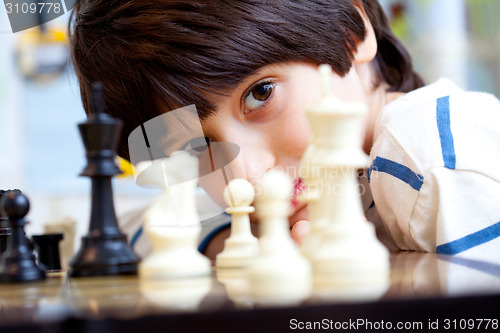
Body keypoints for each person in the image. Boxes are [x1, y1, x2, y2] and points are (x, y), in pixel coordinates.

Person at [70, 0, 500, 261]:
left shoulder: (429, 157)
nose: (247, 176)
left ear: (351, 32)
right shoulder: (323, 187)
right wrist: (232, 240)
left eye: (260, 95)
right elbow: (132, 227)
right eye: (198, 147)